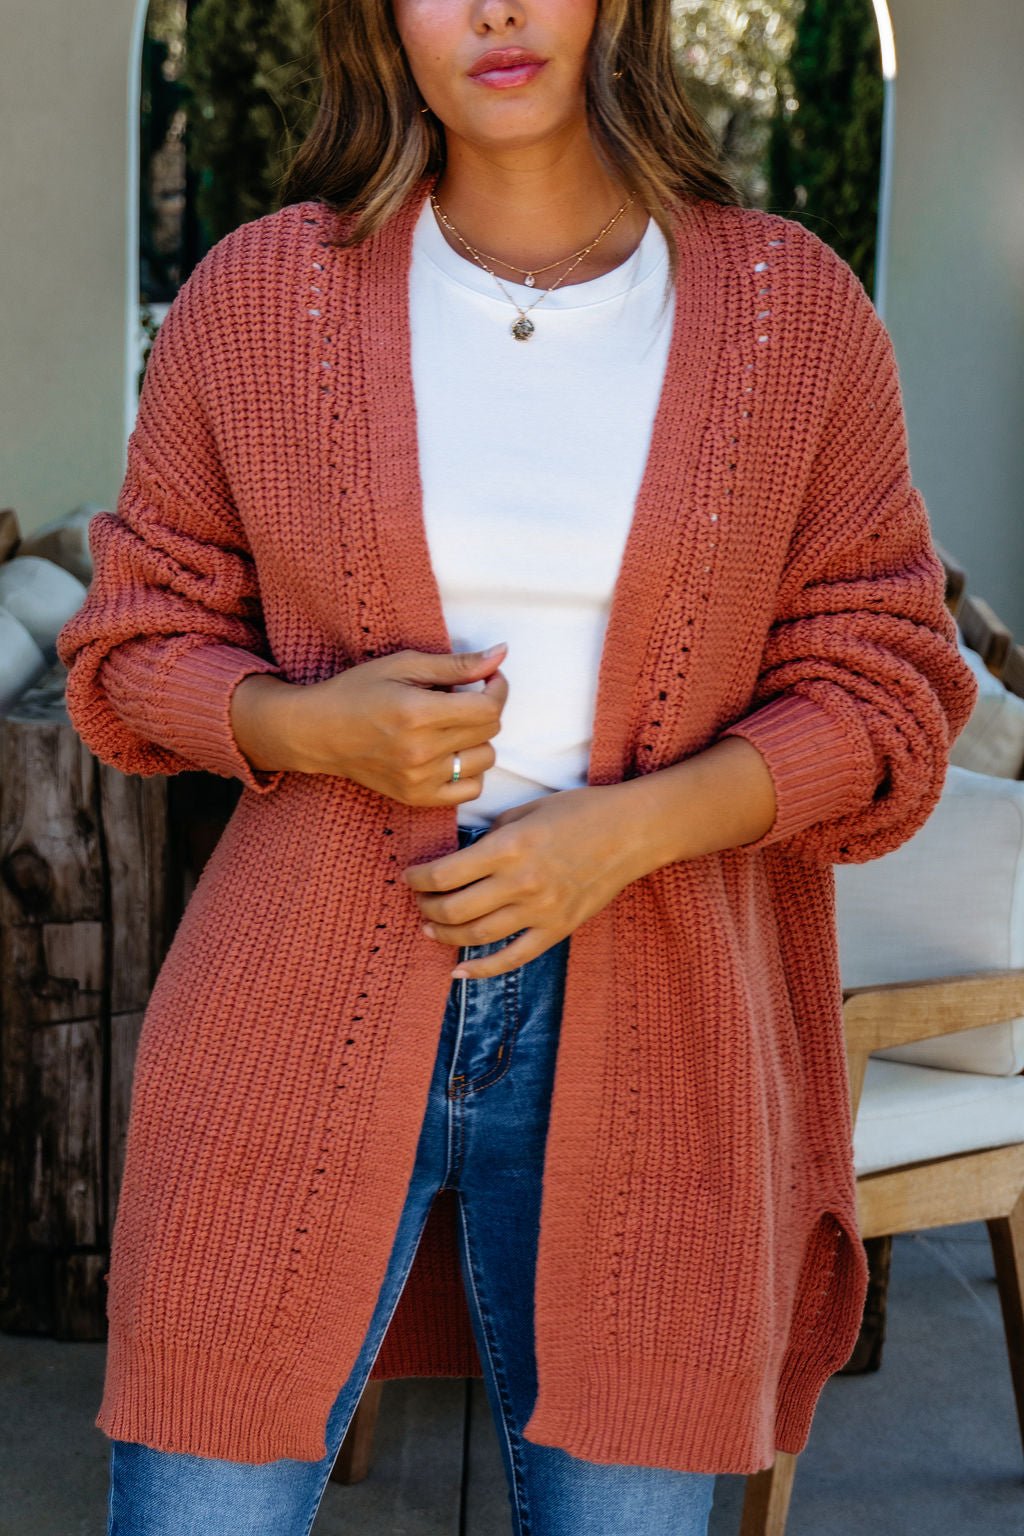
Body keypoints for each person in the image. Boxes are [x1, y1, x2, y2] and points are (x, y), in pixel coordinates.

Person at [56, 1, 979, 1533]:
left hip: (667, 1030)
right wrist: (308, 724)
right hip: (289, 1017)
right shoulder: (263, 297)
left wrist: (626, 833)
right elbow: (132, 641)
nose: (494, 9)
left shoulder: (788, 312)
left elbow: (886, 687)